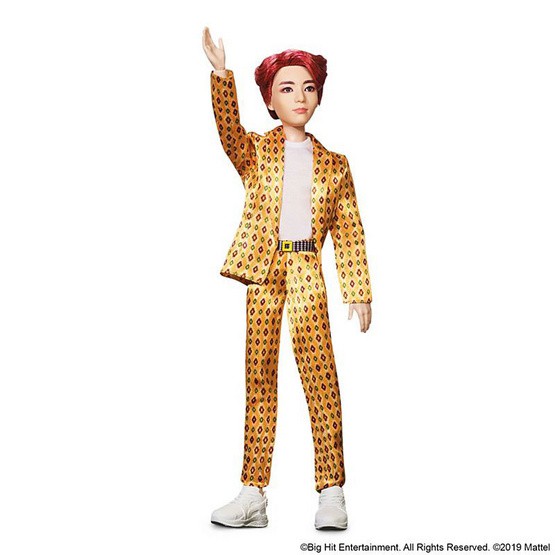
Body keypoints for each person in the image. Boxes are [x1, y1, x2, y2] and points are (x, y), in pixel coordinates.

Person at [202, 26, 373, 530]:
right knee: (259, 378)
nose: (300, 97)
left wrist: (358, 290)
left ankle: (332, 489)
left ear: (319, 95)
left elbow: (349, 229)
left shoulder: (335, 165)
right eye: (287, 88)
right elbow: (229, 134)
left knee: (320, 377)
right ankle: (252, 493)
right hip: (263, 269)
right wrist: (221, 75)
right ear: (270, 101)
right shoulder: (256, 152)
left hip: (306, 270)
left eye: (309, 87)